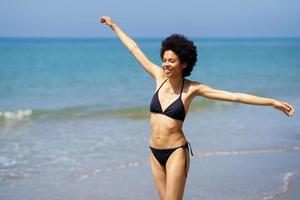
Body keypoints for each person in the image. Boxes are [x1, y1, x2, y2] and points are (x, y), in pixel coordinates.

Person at [99, 16, 295, 200]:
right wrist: (114, 26)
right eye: (165, 60)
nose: (166, 64)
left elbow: (233, 96)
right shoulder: (158, 77)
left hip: (176, 151)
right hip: (154, 151)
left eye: (172, 61)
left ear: (184, 63)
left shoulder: (192, 89)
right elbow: (134, 49)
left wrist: (272, 102)